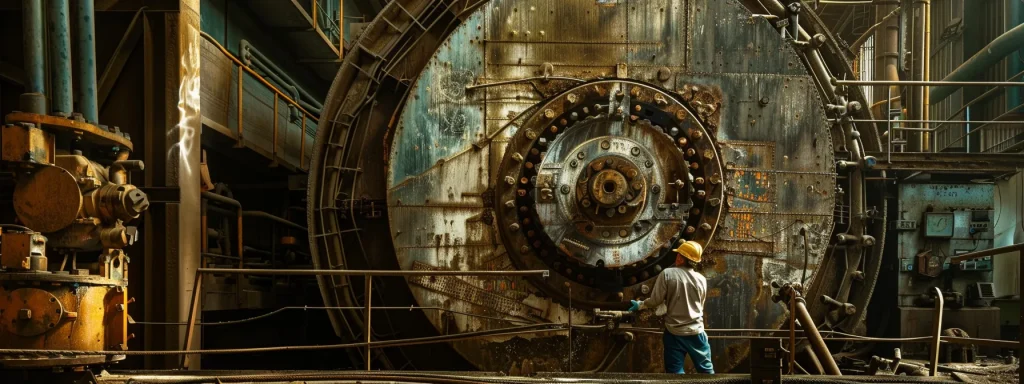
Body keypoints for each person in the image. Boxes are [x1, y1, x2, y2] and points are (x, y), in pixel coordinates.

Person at [628, 240, 713, 374]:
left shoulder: (667, 274)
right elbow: (700, 305)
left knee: (675, 372)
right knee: (706, 371)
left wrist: (640, 305)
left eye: (678, 255)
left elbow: (655, 301)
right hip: (697, 332)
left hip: (674, 333)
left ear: (680, 258)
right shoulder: (701, 279)